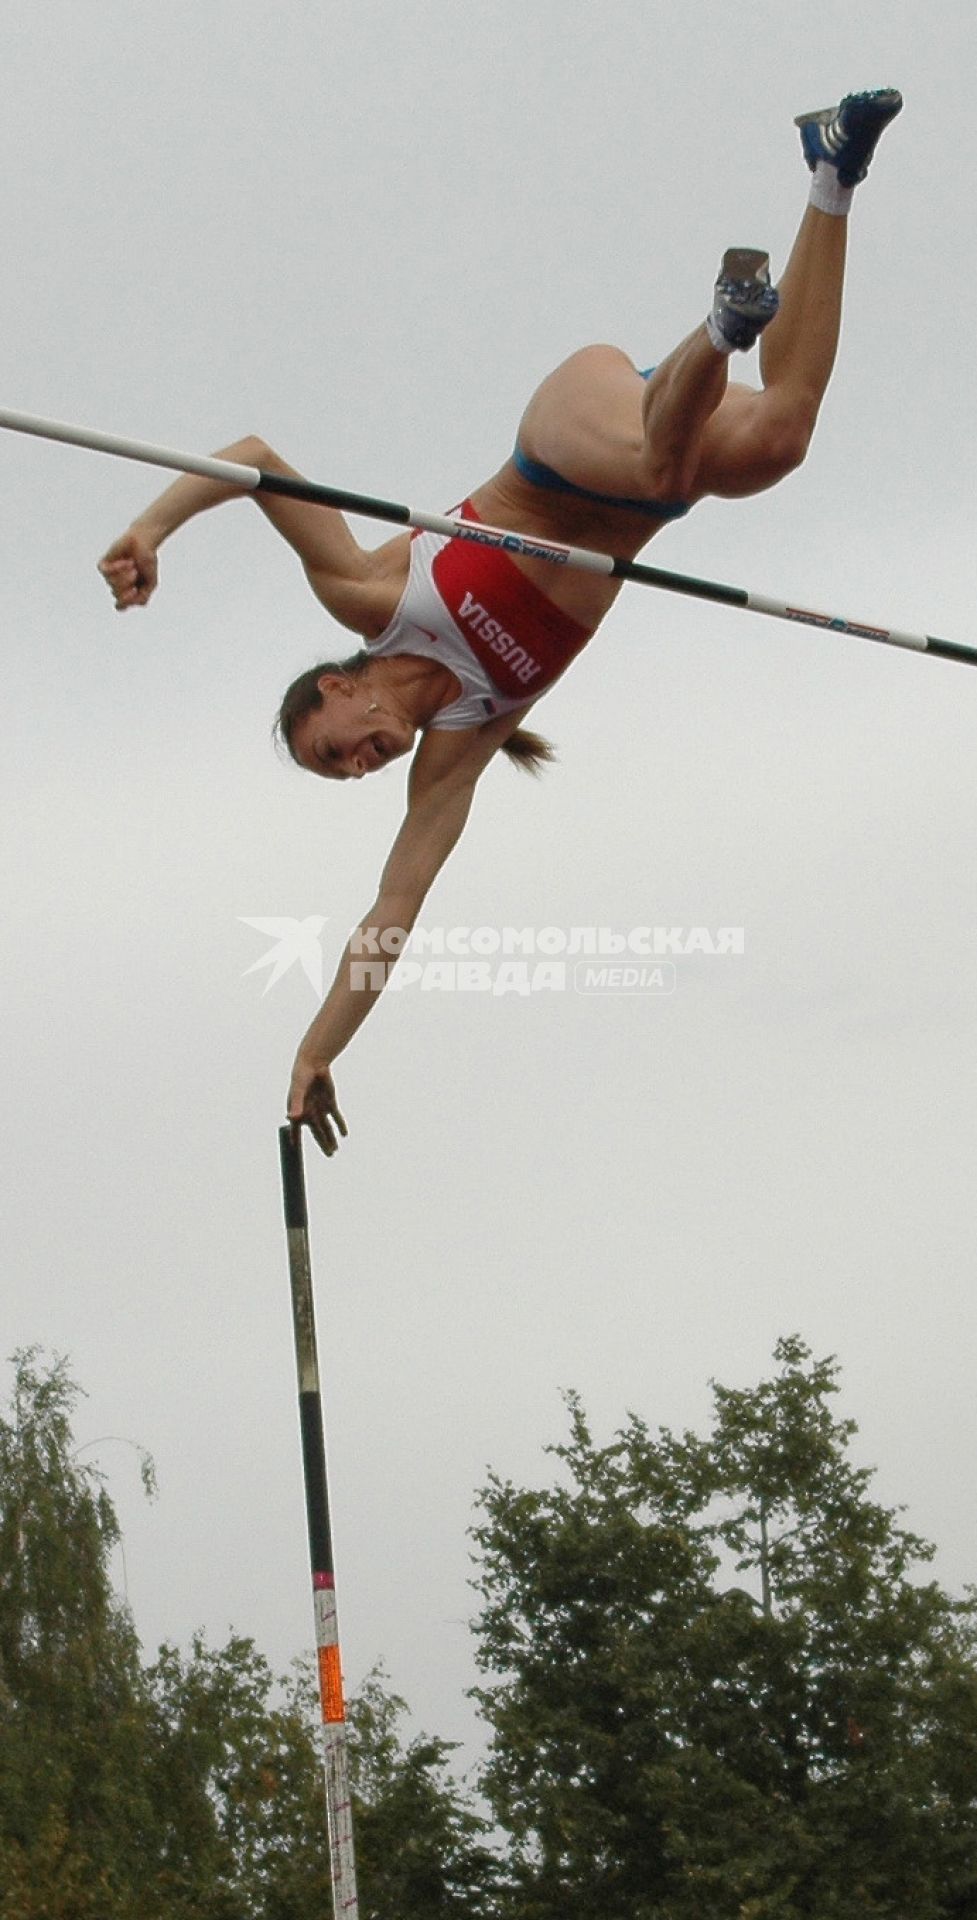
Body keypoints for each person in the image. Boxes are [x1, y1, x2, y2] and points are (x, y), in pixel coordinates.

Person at [99, 89, 902, 1158]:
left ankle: (718, 325)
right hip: (649, 485)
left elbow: (251, 459)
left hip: (573, 426)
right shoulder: (461, 744)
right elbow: (392, 907)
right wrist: (316, 1044)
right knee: (784, 432)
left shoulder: (370, 598)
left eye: (337, 749)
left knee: (667, 457)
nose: (360, 767)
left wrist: (150, 528)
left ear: (340, 685)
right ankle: (829, 171)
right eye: (346, 777)